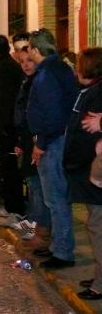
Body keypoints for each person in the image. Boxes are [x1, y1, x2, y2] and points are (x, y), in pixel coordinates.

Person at [27, 28, 78, 269]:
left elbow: (52, 114)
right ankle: (59, 246)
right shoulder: (61, 69)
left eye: (29, 50)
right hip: (59, 139)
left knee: (55, 199)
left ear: (36, 50)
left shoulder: (47, 74)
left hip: (54, 142)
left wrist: (41, 144)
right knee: (56, 199)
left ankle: (63, 253)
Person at [62, 48, 102, 299]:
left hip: (94, 172)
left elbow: (89, 131)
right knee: (95, 225)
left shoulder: (97, 93)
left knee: (98, 227)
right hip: (87, 171)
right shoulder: (90, 91)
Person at [14, 47, 50, 249]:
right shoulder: (27, 82)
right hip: (28, 141)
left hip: (38, 142)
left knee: (37, 189)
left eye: (29, 60)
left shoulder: (39, 83)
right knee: (32, 186)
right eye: (22, 61)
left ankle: (40, 235)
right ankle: (32, 231)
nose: (26, 64)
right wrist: (20, 142)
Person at [0, 35, 25, 217]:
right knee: (8, 166)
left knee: (9, 166)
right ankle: (12, 206)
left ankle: (14, 208)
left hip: (9, 127)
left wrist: (4, 124)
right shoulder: (10, 66)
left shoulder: (5, 68)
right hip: (10, 124)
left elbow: (5, 99)